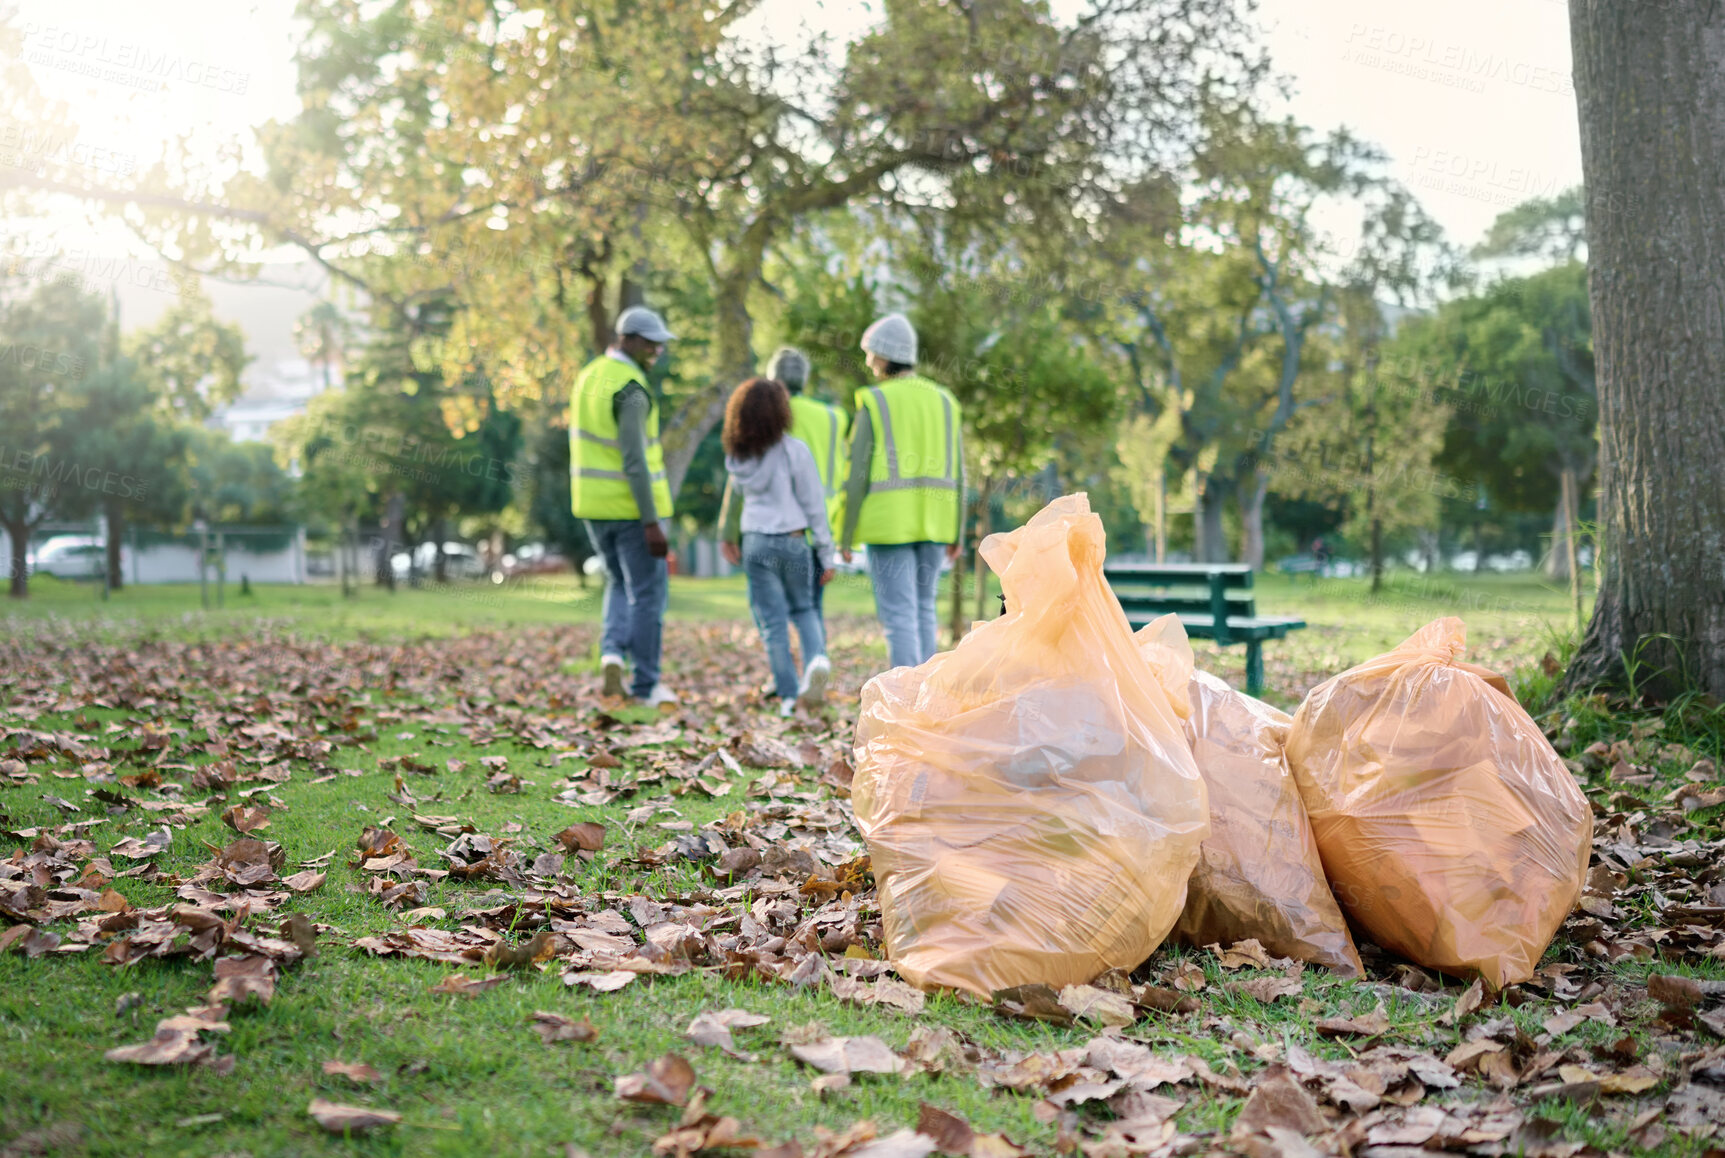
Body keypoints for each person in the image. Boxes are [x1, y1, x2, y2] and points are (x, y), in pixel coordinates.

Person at [839, 313, 964, 670]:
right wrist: (957, 529)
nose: (867, 361)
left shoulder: (875, 400)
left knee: (899, 617)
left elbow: (857, 472)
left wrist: (845, 534)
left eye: (870, 353)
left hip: (888, 523)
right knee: (924, 610)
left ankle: (907, 708)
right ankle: (927, 702)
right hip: (937, 523)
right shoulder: (945, 401)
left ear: (883, 356)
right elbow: (960, 470)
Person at [571, 305, 678, 706]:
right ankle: (646, 686)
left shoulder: (588, 376)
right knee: (649, 595)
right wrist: (651, 522)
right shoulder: (631, 387)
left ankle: (612, 653)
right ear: (628, 339)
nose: (657, 351)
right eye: (651, 343)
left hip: (592, 507)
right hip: (631, 510)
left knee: (618, 582)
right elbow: (634, 460)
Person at [718, 377, 835, 715]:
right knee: (804, 609)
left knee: (772, 622)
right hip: (793, 540)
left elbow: (735, 500)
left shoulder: (739, 458)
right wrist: (826, 554)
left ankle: (787, 696)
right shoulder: (794, 450)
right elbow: (814, 505)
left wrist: (726, 535)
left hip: (754, 543)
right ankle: (816, 663)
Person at [719, 346, 846, 617]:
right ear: (805, 378)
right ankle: (814, 656)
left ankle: (785, 658)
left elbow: (741, 475)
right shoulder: (835, 417)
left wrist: (728, 529)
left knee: (771, 612)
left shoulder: (764, 415)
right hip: (819, 525)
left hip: (770, 525)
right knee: (809, 609)